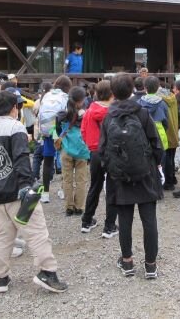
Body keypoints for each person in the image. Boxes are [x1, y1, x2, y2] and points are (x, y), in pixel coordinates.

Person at [0, 90, 68, 295]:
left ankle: (1, 277)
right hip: (18, 192)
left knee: (1, 237)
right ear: (14, 108)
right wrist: (26, 185)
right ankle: (47, 272)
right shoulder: (15, 126)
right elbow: (20, 158)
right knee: (37, 233)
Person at [99, 73, 164, 279]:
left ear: (113, 92)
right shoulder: (142, 113)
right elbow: (156, 144)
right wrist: (155, 164)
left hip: (120, 177)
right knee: (149, 220)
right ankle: (151, 265)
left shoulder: (109, 116)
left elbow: (102, 149)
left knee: (125, 220)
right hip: (145, 173)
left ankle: (127, 262)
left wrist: (111, 168)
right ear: (133, 89)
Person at [80, 80, 119, 238]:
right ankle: (109, 226)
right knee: (112, 188)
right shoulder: (114, 111)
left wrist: (90, 144)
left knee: (94, 186)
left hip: (95, 152)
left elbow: (83, 131)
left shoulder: (89, 111)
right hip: (111, 153)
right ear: (112, 93)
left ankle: (86, 221)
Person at [36, 76, 71, 203]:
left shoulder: (46, 95)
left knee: (48, 161)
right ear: (67, 87)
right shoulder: (65, 97)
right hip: (60, 131)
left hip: (48, 130)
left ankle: (45, 193)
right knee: (64, 160)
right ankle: (62, 190)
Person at [56, 86, 90, 216]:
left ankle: (69, 207)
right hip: (82, 149)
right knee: (81, 179)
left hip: (66, 149)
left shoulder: (62, 114)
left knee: (67, 179)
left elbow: (57, 130)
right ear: (81, 100)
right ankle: (79, 207)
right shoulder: (86, 115)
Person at [137, 76, 169, 151]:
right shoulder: (163, 103)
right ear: (158, 88)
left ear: (145, 88)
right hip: (159, 134)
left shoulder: (138, 103)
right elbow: (166, 122)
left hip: (143, 134)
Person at [159, 83, 180, 191]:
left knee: (167, 159)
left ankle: (168, 182)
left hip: (166, 133)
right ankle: (172, 178)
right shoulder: (173, 97)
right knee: (171, 157)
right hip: (174, 132)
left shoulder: (160, 101)